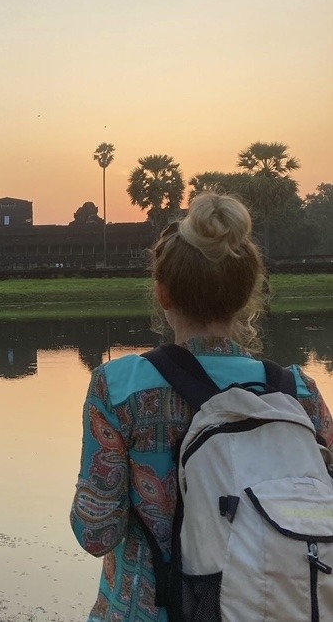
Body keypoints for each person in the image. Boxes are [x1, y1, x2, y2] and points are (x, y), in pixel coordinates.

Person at [70, 192, 333, 622]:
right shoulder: (297, 391)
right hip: (268, 607)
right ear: (247, 292)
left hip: (142, 610)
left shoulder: (119, 388)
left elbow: (96, 533)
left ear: (163, 293)